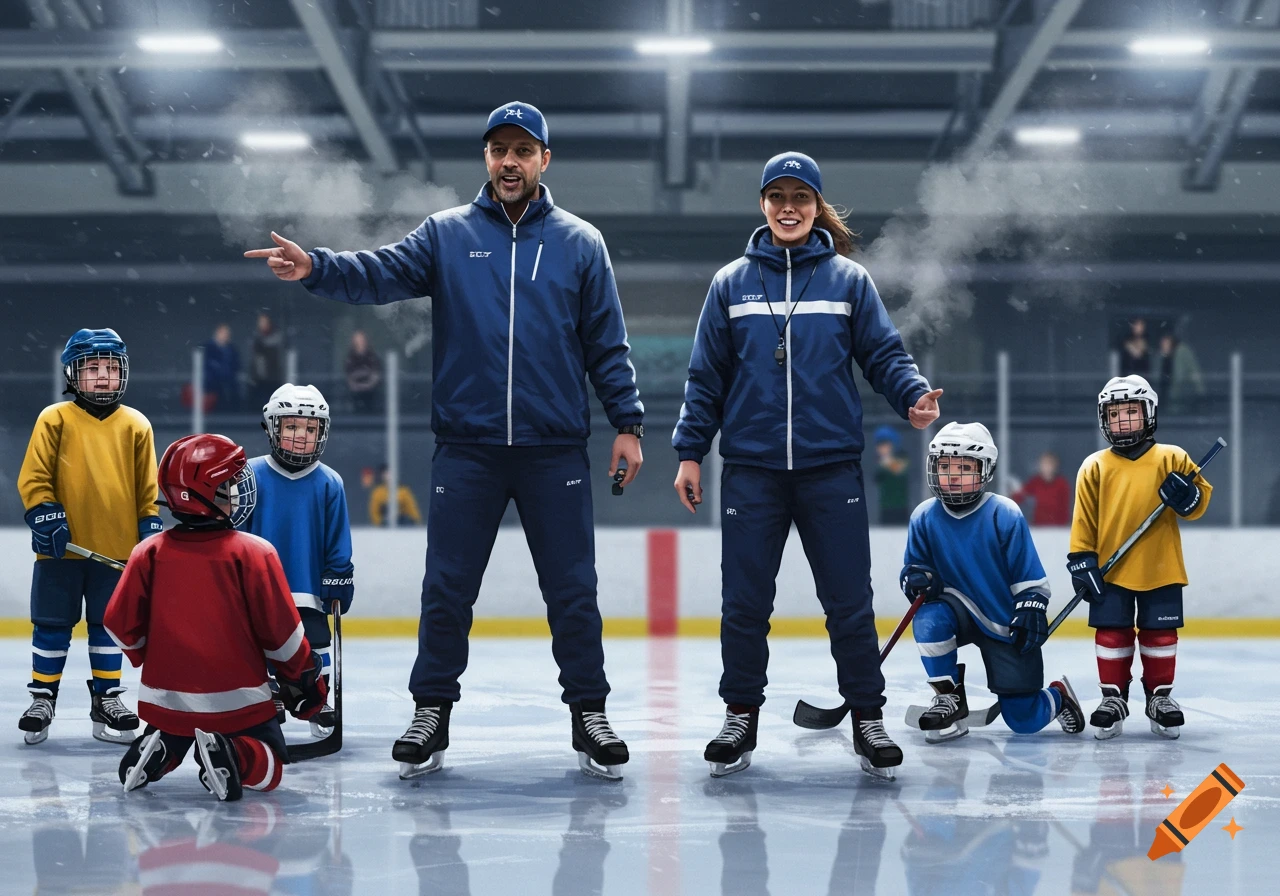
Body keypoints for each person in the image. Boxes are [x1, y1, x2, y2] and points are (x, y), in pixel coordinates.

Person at [245, 101, 644, 781]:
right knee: (448, 589)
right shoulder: (447, 236)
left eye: (523, 150)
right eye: (498, 150)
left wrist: (628, 425)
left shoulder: (581, 244)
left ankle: (589, 713)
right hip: (468, 447)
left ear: (545, 160)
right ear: (486, 159)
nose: (510, 162)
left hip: (554, 451)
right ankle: (431, 711)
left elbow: (607, 343)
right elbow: (378, 273)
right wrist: (315, 266)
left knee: (574, 590)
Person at [671, 151, 943, 780]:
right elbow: (705, 378)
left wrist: (911, 395)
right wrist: (690, 453)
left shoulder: (848, 280)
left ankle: (867, 720)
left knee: (849, 601)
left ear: (817, 206)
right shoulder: (730, 284)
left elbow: (884, 352)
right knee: (743, 605)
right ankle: (740, 716)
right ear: (763, 205)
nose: (788, 207)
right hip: (751, 469)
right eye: (777, 196)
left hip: (830, 468)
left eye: (801, 196)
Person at [105, 433, 328, 801]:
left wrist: (155, 652)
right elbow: (283, 637)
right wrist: (305, 686)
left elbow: (119, 625)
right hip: (237, 702)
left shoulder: (149, 551)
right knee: (270, 766)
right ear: (203, 492)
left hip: (164, 701)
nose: (237, 490)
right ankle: (234, 755)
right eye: (228, 483)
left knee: (174, 725)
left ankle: (162, 749)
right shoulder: (254, 552)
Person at [16, 328, 163, 746]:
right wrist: (44, 513)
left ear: (124, 374)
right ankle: (43, 696)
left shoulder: (136, 425)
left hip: (115, 554)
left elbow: (146, 490)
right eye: (92, 368)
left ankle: (107, 698)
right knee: (51, 624)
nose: (103, 377)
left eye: (111, 369)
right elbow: (36, 476)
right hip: (60, 551)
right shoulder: (54, 418)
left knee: (107, 627)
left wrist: (149, 526)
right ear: (73, 374)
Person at [902, 422, 1085, 743]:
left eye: (963, 467)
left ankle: (1058, 696)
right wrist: (916, 580)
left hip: (1004, 621)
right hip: (954, 609)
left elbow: (1030, 579)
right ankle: (949, 700)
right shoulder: (923, 516)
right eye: (944, 466)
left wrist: (1030, 609)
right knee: (929, 619)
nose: (953, 475)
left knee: (1024, 720)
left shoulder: (1004, 514)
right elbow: (912, 574)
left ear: (985, 470)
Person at [1067, 375, 1212, 740]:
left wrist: (1189, 497)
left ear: (1149, 414)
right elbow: (1083, 518)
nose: (1122, 421)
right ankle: (1113, 697)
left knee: (1160, 635)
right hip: (1109, 571)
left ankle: (1159, 697)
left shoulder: (1172, 457)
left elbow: (1199, 502)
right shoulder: (1094, 465)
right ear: (1104, 419)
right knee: (1112, 635)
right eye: (1115, 414)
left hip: (1160, 567)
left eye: (1131, 412)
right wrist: (1081, 558)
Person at [240, 384, 353, 740]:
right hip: (259, 590)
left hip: (308, 591)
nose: (301, 436)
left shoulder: (330, 482)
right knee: (258, 646)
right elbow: (234, 535)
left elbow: (337, 538)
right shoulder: (249, 474)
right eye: (291, 427)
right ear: (272, 427)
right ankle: (265, 700)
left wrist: (339, 574)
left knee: (315, 643)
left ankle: (318, 702)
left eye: (310, 428)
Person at [1011, 451, 1072, 525]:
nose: (1046, 467)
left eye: (1049, 464)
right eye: (1044, 464)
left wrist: (1064, 525)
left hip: (1058, 527)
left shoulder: (1062, 484)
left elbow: (1065, 506)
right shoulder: (1035, 482)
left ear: (1055, 465)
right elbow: (1021, 495)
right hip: (1039, 526)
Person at [1156, 331, 1205, 416]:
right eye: (1162, 342)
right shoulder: (1161, 357)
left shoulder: (1182, 352)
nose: (1163, 345)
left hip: (1183, 399)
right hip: (1167, 401)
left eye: (1166, 342)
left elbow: (1194, 372)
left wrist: (1200, 393)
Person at [872, 425, 910, 524]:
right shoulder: (880, 462)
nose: (881, 448)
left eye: (885, 444)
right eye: (880, 445)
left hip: (900, 507)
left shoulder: (902, 457)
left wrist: (885, 458)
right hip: (885, 508)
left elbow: (898, 470)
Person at [248, 313, 284, 410]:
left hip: (272, 377)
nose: (261, 324)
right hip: (260, 377)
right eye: (260, 322)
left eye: (263, 322)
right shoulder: (257, 338)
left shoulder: (274, 338)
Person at [203, 323, 241, 411]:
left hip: (228, 383)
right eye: (224, 333)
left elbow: (237, 364)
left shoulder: (231, 348)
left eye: (227, 334)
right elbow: (207, 365)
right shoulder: (208, 348)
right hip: (213, 384)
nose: (226, 336)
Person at [344, 329, 383, 413]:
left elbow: (375, 376)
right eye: (357, 341)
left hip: (372, 397)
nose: (360, 343)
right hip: (355, 397)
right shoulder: (350, 358)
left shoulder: (372, 357)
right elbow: (349, 378)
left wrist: (366, 385)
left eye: (361, 340)